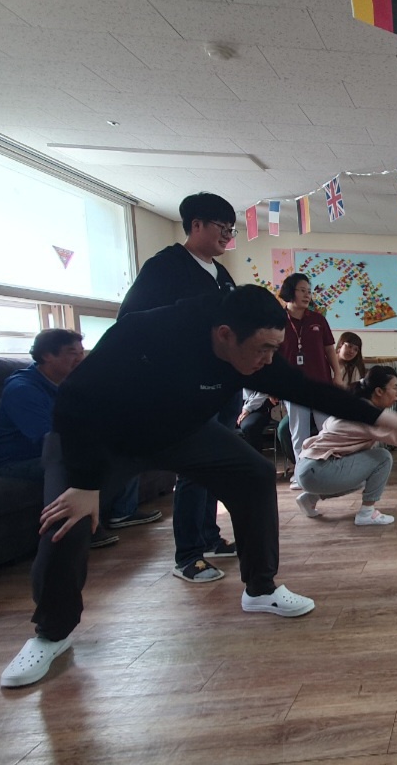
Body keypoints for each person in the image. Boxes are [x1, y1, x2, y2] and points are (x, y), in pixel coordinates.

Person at [0, 285, 397, 689]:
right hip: (99, 436)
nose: (268, 359)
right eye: (264, 349)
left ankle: (260, 589)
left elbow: (313, 391)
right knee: (66, 521)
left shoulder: (254, 352)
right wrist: (83, 483)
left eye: (275, 348)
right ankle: (51, 634)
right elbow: (75, 399)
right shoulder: (147, 332)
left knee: (253, 474)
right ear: (224, 334)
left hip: (181, 432)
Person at [118, 191, 240, 582]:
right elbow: (131, 321)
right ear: (196, 224)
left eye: (231, 229)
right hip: (185, 388)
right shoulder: (164, 267)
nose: (227, 236)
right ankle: (188, 555)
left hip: (221, 386)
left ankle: (209, 537)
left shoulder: (221, 275)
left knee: (215, 466)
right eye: (222, 227)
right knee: (193, 467)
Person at [0, 330, 158, 549]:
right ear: (46, 355)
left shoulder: (71, 384)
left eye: (81, 353)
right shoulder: (22, 389)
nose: (80, 359)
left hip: (58, 448)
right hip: (23, 461)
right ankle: (80, 531)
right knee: (77, 462)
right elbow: (49, 440)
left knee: (125, 447)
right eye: (72, 353)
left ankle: (123, 512)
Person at [294, 366, 397, 522]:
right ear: (379, 391)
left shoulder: (356, 405)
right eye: (394, 388)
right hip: (318, 470)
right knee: (382, 457)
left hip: (307, 469)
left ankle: (310, 498)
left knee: (365, 475)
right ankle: (367, 514)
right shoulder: (366, 414)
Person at [278, 272, 341, 487]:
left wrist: (337, 374)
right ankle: (301, 474)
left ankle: (329, 471)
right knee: (299, 433)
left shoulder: (317, 319)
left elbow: (330, 350)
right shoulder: (277, 320)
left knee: (327, 430)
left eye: (309, 291)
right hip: (292, 386)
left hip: (320, 383)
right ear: (290, 292)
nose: (307, 295)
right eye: (302, 290)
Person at [237, 389, 281, 455]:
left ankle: (253, 459)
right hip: (233, 405)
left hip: (257, 406)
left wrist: (247, 408)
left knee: (249, 426)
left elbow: (263, 391)